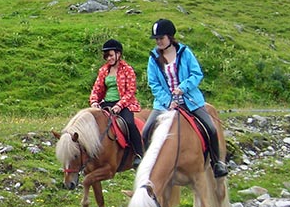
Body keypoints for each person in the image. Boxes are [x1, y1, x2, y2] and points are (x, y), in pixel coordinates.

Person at [143, 19, 228, 178]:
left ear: (170, 37)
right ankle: (148, 168)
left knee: (210, 128)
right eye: (156, 39)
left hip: (189, 101)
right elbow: (153, 83)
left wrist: (183, 87)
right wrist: (168, 101)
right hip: (164, 104)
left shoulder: (185, 53)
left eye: (161, 38)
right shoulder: (153, 57)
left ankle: (217, 163)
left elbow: (197, 74)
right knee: (146, 131)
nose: (158, 41)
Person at [89, 39, 144, 167]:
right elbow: (96, 88)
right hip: (107, 102)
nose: (108, 58)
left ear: (118, 54)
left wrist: (120, 105)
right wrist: (94, 102)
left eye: (111, 55)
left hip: (124, 104)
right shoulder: (103, 70)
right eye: (106, 56)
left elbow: (130, 91)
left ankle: (138, 153)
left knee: (129, 123)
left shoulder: (127, 70)